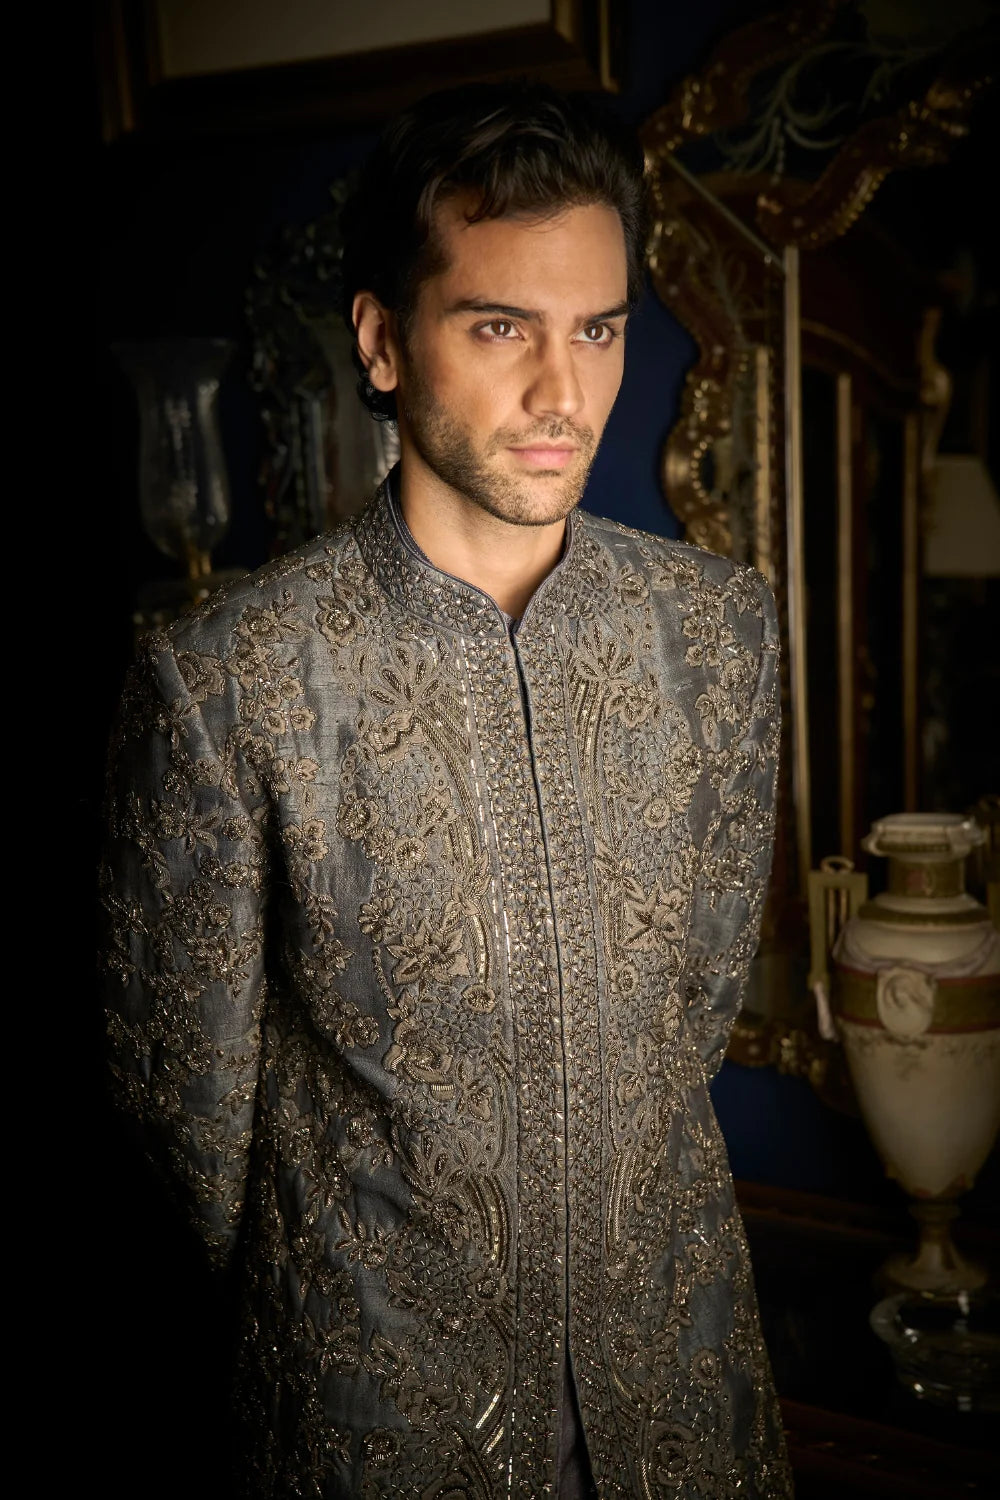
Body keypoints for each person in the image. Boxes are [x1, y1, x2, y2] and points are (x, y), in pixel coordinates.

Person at [101, 80, 792, 1499]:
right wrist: (357, 1275)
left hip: (680, 1385)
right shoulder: (230, 679)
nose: (563, 395)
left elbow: (696, 1008)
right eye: (499, 328)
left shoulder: (720, 634)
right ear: (381, 340)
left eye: (597, 329)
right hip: (374, 1407)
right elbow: (186, 1105)